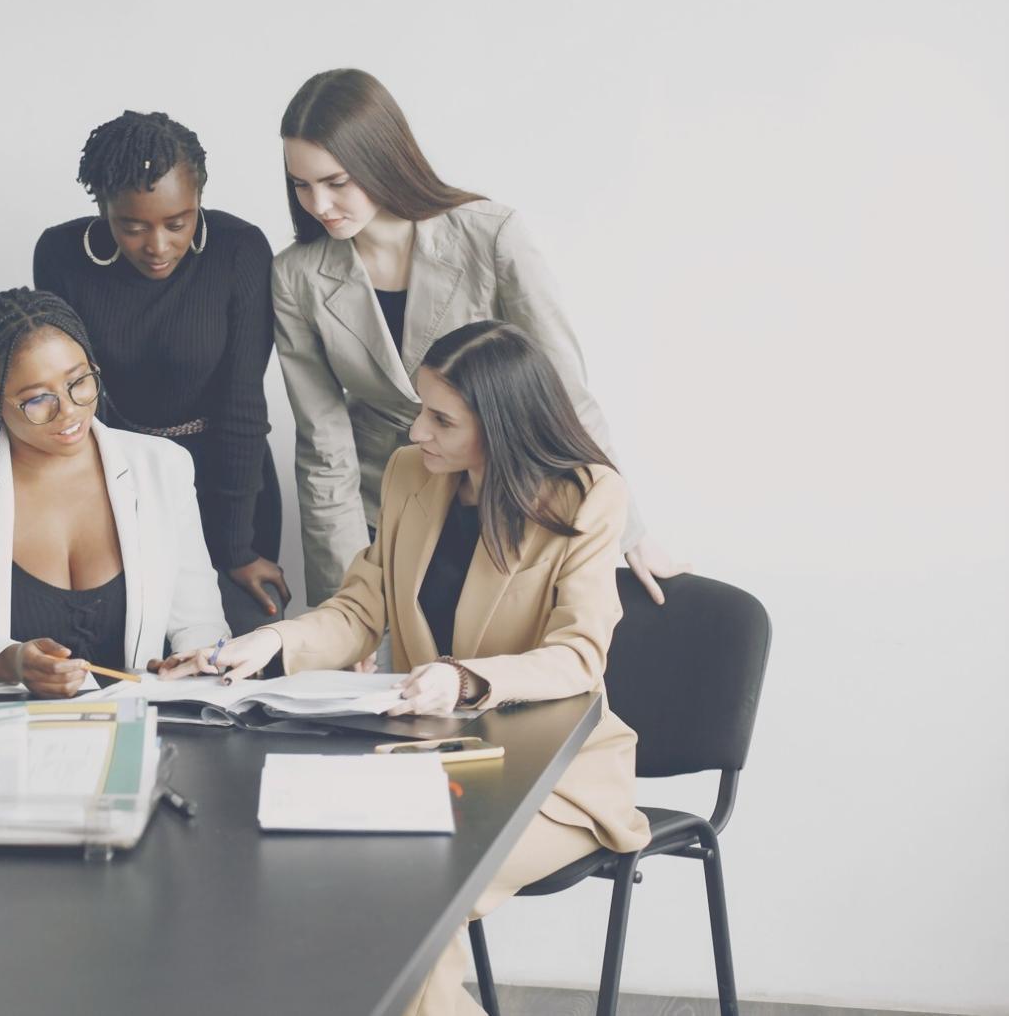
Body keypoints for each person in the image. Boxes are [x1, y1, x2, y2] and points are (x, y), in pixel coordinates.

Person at [161, 320, 652, 1016]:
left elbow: (578, 653)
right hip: (435, 763)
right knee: (327, 880)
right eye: (421, 407)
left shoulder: (588, 494)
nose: (418, 430)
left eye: (441, 418)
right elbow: (361, 606)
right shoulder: (410, 475)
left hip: (556, 778)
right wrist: (269, 643)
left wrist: (465, 677)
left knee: (417, 901)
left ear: (502, 425)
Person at [272, 67, 686, 608]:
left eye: (336, 183)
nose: (319, 205)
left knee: (491, 678)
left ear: (380, 159)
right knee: (385, 681)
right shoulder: (295, 275)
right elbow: (323, 448)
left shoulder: (490, 235)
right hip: (385, 511)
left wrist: (627, 530)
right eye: (301, 185)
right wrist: (343, 601)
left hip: (504, 499)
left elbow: (562, 392)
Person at [0, 288, 228, 697]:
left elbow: (200, 623)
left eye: (79, 382)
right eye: (38, 399)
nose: (69, 411)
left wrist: (192, 660)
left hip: (138, 721)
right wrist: (11, 660)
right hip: (8, 734)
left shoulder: (162, 466)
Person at [34, 110, 290, 638]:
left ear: (199, 203)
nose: (157, 245)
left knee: (232, 652)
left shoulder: (238, 250)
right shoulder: (61, 256)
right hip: (115, 482)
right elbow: (74, 400)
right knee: (123, 653)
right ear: (104, 210)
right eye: (132, 226)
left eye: (179, 223)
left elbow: (243, 404)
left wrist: (238, 549)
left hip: (227, 481)